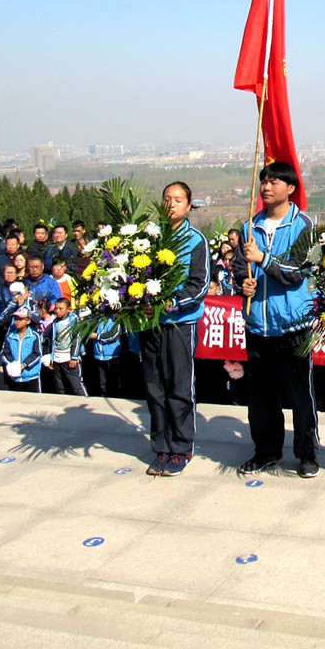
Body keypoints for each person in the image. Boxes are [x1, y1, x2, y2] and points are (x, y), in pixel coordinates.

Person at [230, 162, 320, 479]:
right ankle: (266, 450)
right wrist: (244, 282)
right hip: (258, 323)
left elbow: (298, 272)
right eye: (264, 181)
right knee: (261, 396)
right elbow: (240, 268)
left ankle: (307, 454)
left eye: (275, 181)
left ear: (291, 188)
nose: (267, 187)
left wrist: (264, 259)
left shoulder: (303, 226)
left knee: (299, 395)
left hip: (293, 324)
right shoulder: (249, 228)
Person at [141, 181, 210, 477]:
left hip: (180, 323)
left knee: (179, 386)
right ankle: (161, 447)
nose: (171, 204)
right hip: (150, 324)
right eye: (166, 199)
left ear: (189, 204)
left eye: (178, 199)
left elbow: (200, 285)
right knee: (154, 387)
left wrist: (170, 302)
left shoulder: (195, 241)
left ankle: (181, 447)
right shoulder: (149, 239)